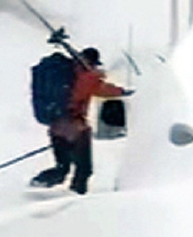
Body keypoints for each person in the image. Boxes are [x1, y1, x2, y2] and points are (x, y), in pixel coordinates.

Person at [30, 47, 133, 195]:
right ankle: (76, 199)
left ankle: (35, 186)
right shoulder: (87, 77)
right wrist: (123, 91)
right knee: (84, 169)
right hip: (75, 128)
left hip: (56, 126)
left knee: (62, 167)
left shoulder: (66, 73)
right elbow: (102, 89)